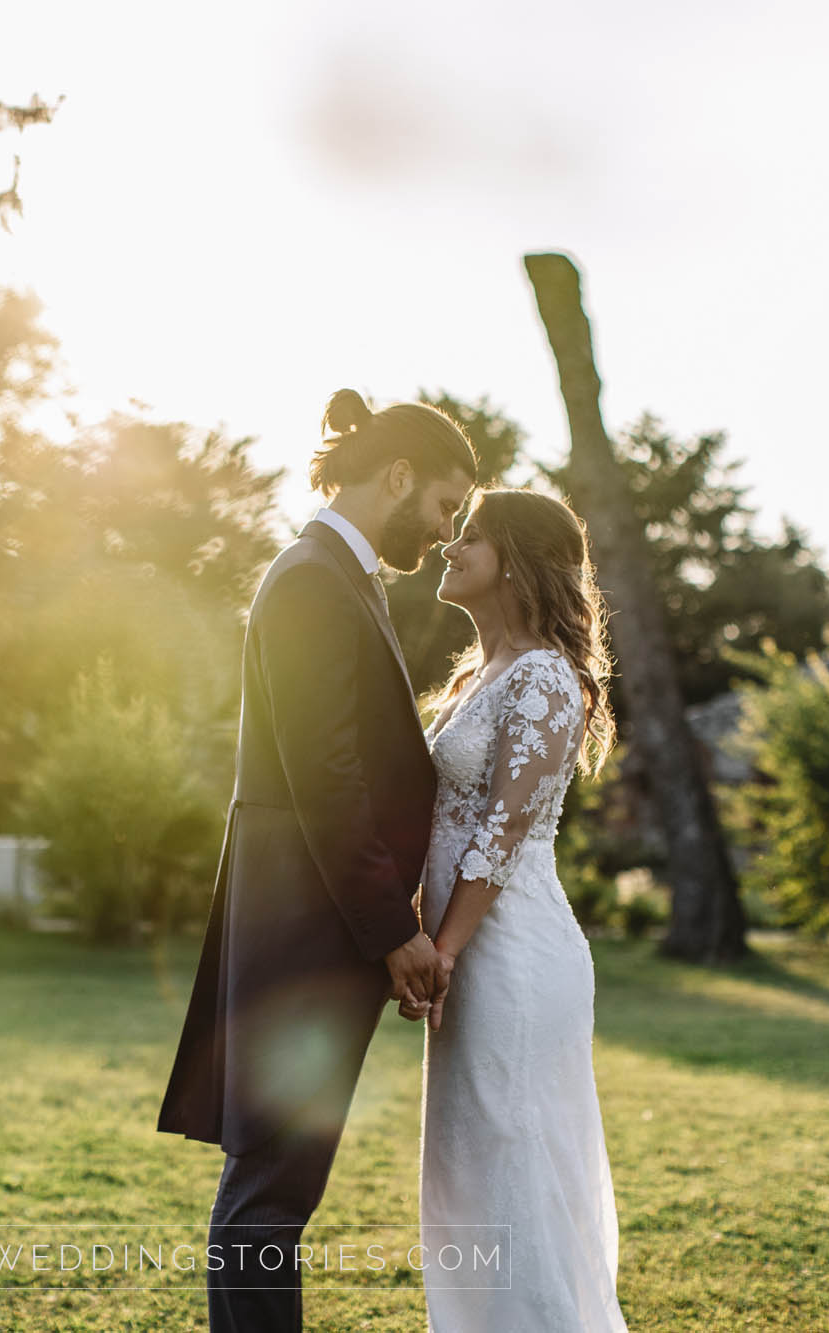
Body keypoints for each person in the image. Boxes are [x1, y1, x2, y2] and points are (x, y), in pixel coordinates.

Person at [156, 387, 477, 1333]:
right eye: (445, 505)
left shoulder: (339, 574)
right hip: (309, 929)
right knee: (271, 1187)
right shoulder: (309, 579)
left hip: (313, 924)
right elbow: (325, 775)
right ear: (400, 473)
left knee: (277, 1187)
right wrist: (394, 929)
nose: (445, 528)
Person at [411, 487, 629, 1330]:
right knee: (469, 1173)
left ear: (517, 559)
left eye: (469, 537)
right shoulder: (480, 676)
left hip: (511, 960)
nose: (448, 548)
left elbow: (498, 834)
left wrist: (444, 951)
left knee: (515, 1172)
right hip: (467, 954)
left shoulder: (542, 676)